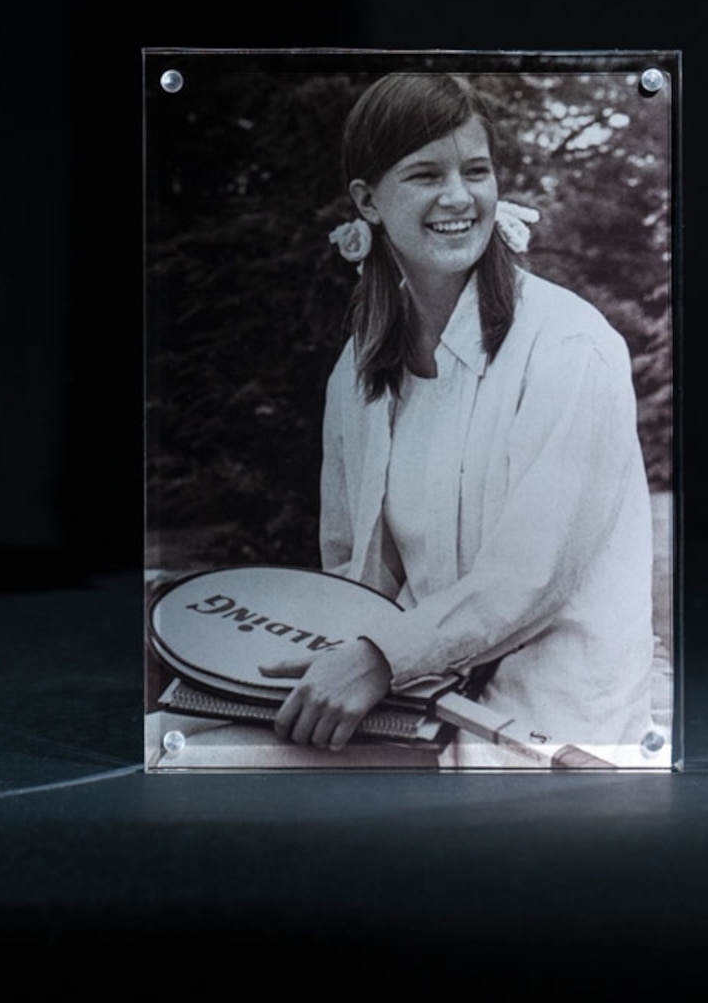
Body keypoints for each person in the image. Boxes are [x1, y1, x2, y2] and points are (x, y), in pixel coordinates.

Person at [261, 71, 655, 766]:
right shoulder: (357, 373)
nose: (457, 196)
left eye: (476, 170)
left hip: (546, 726)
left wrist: (383, 659)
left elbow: (529, 577)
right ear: (368, 201)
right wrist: (345, 666)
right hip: (409, 708)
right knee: (173, 743)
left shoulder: (570, 346)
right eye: (424, 174)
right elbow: (351, 568)